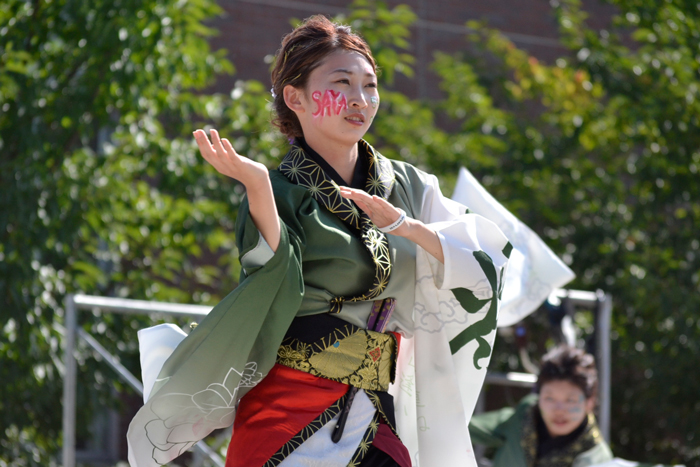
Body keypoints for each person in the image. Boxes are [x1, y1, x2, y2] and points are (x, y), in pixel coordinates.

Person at [127, 15, 511, 467]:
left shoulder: (409, 186)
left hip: (375, 412)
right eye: (342, 82)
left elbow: (487, 255)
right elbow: (274, 275)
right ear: (296, 98)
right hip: (286, 412)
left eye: (369, 85)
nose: (360, 99)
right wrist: (257, 187)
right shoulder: (280, 191)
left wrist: (405, 226)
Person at [469, 345, 614, 467]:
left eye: (570, 400)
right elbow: (462, 427)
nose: (558, 410)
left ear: (590, 402)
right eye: (549, 398)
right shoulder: (520, 420)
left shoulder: (596, 459)